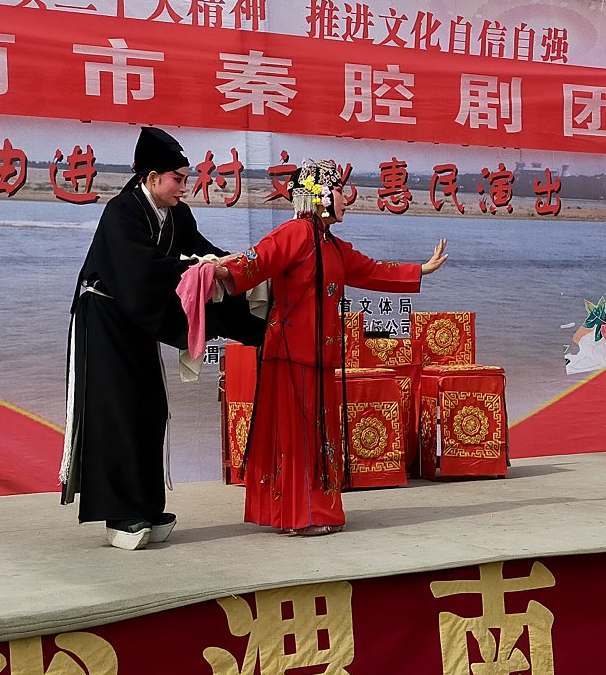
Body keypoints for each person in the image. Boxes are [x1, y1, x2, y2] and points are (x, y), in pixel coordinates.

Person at [214, 159, 448, 536]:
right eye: (339, 191)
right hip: (290, 353)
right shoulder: (295, 233)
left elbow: (372, 270)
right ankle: (301, 514)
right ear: (320, 196)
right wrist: (222, 270)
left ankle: (307, 511)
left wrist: (420, 270)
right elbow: (260, 258)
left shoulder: (332, 245)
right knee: (299, 437)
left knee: (318, 436)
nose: (346, 199)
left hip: (318, 355)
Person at [60, 125, 264, 551]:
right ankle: (119, 514)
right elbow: (141, 272)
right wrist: (198, 270)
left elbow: (205, 254)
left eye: (186, 179)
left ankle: (148, 507)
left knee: (150, 407)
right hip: (104, 318)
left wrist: (240, 269)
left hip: (137, 319)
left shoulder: (178, 215)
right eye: (178, 179)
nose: (184, 187)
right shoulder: (122, 211)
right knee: (116, 411)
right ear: (152, 178)